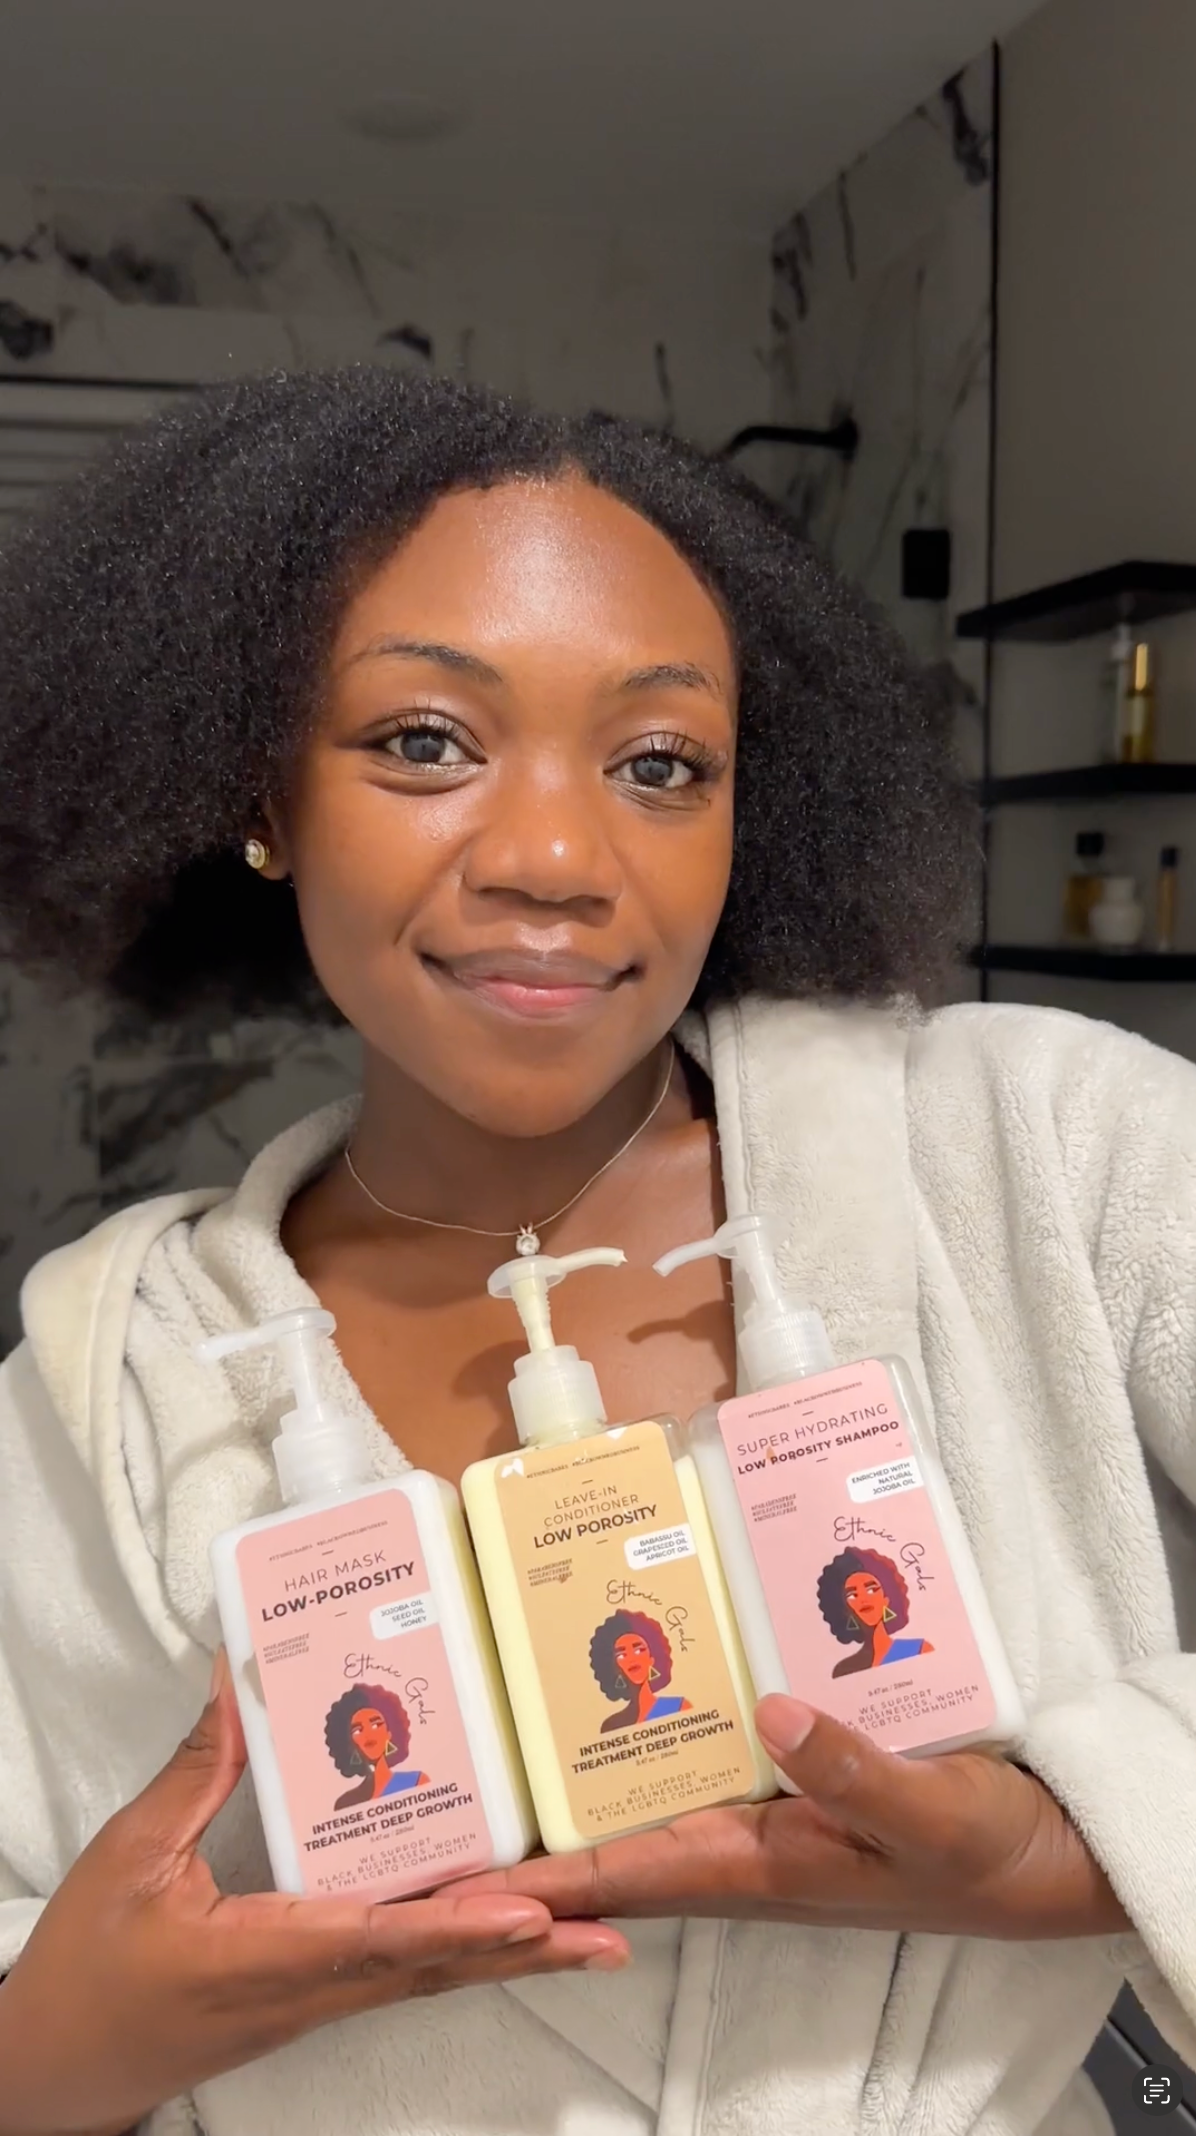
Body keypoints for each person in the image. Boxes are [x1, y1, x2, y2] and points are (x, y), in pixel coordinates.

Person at [0, 368, 1192, 2136]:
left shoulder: (1045, 1151)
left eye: (659, 764)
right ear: (262, 794)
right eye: (426, 741)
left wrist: (1077, 1845)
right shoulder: (115, 1384)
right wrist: (62, 2038)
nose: (556, 856)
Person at [323, 1684, 430, 1809]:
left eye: (376, 1725)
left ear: (389, 1733)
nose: (368, 1734)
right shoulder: (346, 1804)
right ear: (350, 1742)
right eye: (358, 1730)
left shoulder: (416, 1782)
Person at [589, 1610, 692, 1731]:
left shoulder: (679, 1708)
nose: (632, 1659)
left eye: (639, 1650)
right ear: (615, 1667)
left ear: (652, 1658)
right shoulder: (611, 1726)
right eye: (621, 1655)